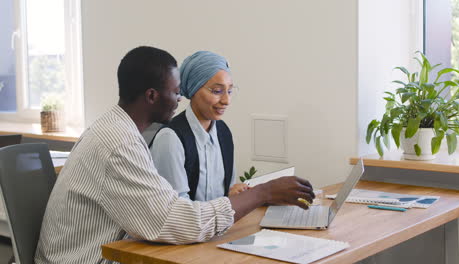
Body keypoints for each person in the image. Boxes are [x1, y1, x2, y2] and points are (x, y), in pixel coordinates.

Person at [34, 46, 315, 264]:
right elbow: (175, 221)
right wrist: (262, 193)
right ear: (153, 96)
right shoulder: (119, 144)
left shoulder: (119, 130)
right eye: (176, 93)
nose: (180, 100)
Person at [149, 51, 247, 201]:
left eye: (230, 91)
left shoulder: (223, 132)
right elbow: (177, 210)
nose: (226, 100)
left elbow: (226, 191)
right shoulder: (170, 138)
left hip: (221, 224)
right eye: (217, 91)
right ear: (194, 89)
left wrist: (233, 193)